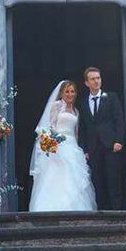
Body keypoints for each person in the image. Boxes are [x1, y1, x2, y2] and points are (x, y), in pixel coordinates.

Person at [29, 80, 96, 211]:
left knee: (74, 177)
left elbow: (76, 133)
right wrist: (52, 142)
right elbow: (51, 126)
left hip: (72, 146)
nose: (70, 94)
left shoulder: (76, 111)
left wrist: (79, 149)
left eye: (72, 91)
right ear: (62, 93)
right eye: (67, 91)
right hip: (58, 145)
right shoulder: (57, 106)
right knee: (56, 175)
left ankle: (75, 207)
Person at [77, 67, 125, 210]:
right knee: (97, 180)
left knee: (113, 179)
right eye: (93, 79)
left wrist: (119, 140)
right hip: (93, 148)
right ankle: (101, 212)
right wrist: (84, 149)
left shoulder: (111, 97)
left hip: (111, 145)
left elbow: (119, 120)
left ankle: (117, 212)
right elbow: (83, 127)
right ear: (86, 83)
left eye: (98, 78)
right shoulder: (83, 102)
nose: (96, 81)